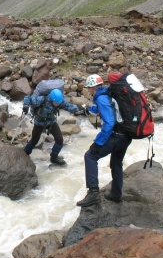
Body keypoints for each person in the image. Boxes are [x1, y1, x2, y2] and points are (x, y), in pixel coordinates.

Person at [76, 74, 132, 207]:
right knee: (116, 162)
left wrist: (98, 142)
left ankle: (93, 193)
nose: (89, 90)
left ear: (93, 88)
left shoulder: (101, 98)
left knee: (90, 156)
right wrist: (89, 110)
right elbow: (107, 110)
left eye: (89, 88)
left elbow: (110, 122)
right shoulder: (109, 93)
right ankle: (116, 194)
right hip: (126, 135)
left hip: (117, 135)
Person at [23, 88, 84, 165]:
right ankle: (25, 153)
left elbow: (67, 105)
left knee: (59, 140)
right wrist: (26, 105)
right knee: (34, 140)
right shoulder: (41, 100)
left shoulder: (58, 101)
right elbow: (28, 97)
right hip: (39, 123)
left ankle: (54, 158)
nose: (58, 104)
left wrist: (75, 110)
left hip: (51, 122)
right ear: (52, 99)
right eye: (56, 103)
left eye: (59, 103)